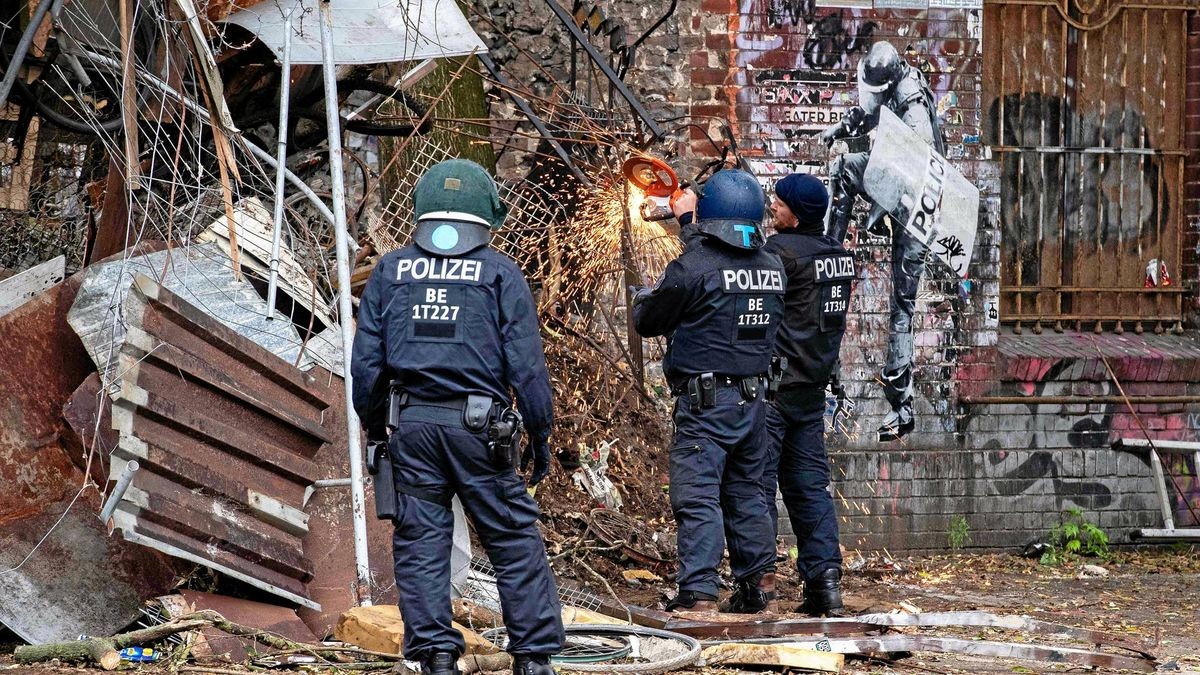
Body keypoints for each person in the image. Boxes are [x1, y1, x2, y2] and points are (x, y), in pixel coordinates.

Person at [351, 159, 563, 675]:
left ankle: (437, 657)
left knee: (421, 542)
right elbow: (527, 366)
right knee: (512, 536)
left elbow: (366, 367)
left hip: (413, 428)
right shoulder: (499, 272)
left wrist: (379, 428)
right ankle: (533, 658)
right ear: (485, 215)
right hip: (482, 431)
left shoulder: (391, 270)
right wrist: (539, 433)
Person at [632, 169, 786, 613]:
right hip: (754, 403)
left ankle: (699, 595)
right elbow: (721, 266)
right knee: (747, 493)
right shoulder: (773, 265)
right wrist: (689, 228)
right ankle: (762, 587)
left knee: (698, 496)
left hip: (706, 406)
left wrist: (647, 294)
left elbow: (649, 320)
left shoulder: (693, 266)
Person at [818, 41, 943, 442]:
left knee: (902, 305)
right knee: (844, 169)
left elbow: (915, 164)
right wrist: (844, 127)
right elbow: (870, 112)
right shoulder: (892, 85)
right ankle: (829, 249)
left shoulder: (914, 106)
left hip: (917, 208)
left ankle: (901, 404)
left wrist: (878, 208)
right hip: (897, 191)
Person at [759, 174, 854, 617]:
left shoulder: (780, 256)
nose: (772, 206)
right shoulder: (838, 255)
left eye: (779, 202)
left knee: (754, 488)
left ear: (796, 214)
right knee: (810, 488)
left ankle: (759, 589)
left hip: (774, 394)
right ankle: (825, 587)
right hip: (811, 393)